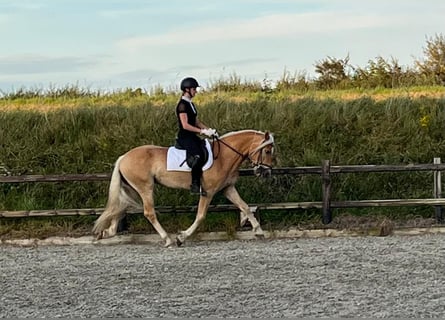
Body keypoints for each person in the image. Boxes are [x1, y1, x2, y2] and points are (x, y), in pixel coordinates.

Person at [175, 77, 217, 195]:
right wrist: (201, 132)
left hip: (192, 136)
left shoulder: (191, 104)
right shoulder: (182, 105)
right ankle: (195, 184)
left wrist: (209, 130)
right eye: (194, 89)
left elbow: (196, 121)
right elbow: (185, 125)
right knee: (198, 155)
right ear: (187, 89)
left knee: (206, 149)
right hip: (185, 137)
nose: (196, 91)